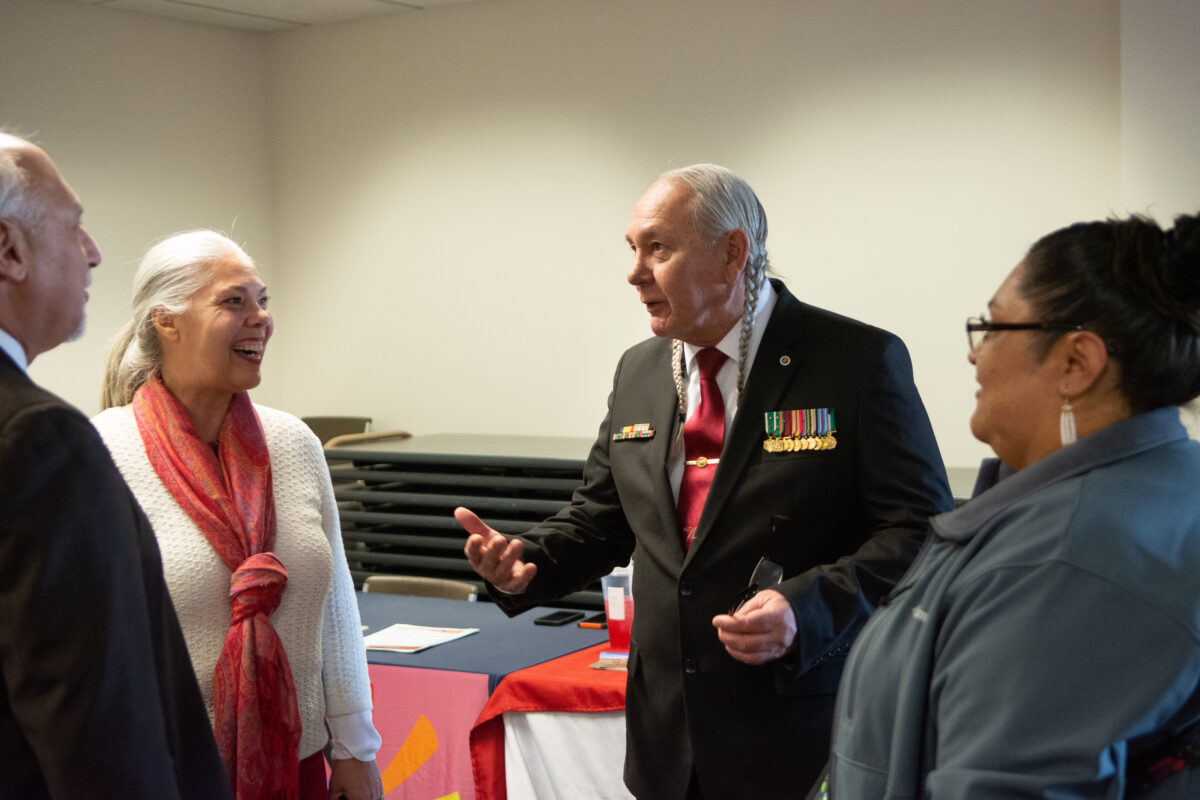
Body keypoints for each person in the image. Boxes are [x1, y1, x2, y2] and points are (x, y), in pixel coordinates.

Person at [455, 163, 953, 798]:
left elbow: (920, 531)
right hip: (667, 742)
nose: (634, 273)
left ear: (731, 254)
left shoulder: (854, 361)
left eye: (658, 248)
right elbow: (601, 519)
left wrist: (805, 609)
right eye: (633, 250)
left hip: (803, 735)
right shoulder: (639, 371)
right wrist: (529, 561)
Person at [825, 213, 1200, 798]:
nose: (976, 356)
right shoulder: (1150, 486)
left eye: (993, 327)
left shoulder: (1067, 562)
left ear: (1077, 363)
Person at [92, 230, 383, 800]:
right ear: (166, 321)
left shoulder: (293, 442)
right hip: (161, 771)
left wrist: (354, 749)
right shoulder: (104, 450)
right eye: (234, 301)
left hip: (292, 761)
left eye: (262, 299)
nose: (261, 318)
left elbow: (337, 607)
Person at [0, 133, 232, 798]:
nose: (94, 251)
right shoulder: (37, 438)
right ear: (8, 250)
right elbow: (94, 728)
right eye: (73, 225)